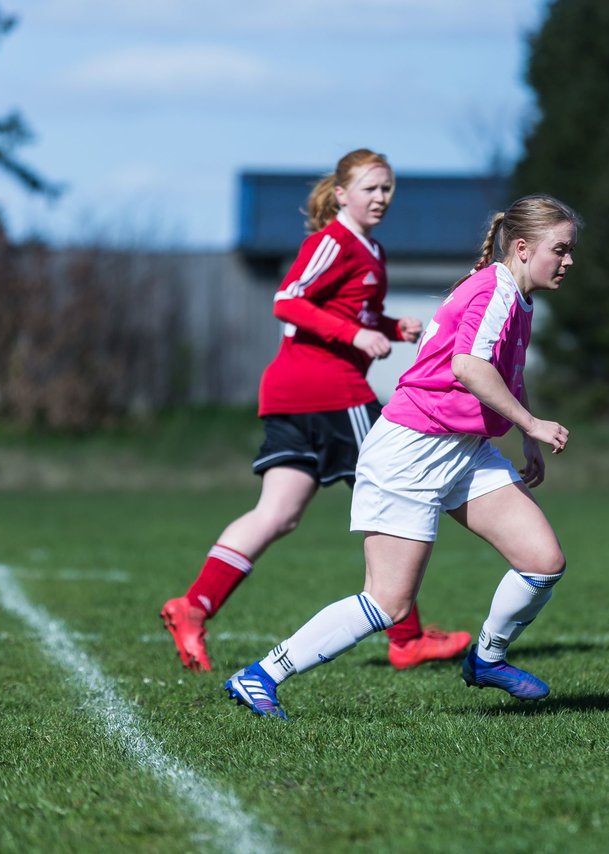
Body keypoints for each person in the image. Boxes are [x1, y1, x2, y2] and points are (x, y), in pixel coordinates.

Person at [223, 194, 582, 719]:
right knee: (388, 603)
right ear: (523, 248)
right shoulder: (495, 292)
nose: (569, 261)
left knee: (542, 562)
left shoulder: (517, 296)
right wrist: (531, 424)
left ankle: (487, 659)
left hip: (462, 450)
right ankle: (260, 675)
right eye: (562, 249)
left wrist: (526, 436)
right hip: (410, 453)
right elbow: (469, 367)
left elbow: (506, 373)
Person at [161, 149, 471, 673]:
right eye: (371, 188)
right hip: (331, 391)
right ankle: (407, 639)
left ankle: (193, 607)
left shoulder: (370, 249)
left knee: (276, 514)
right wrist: (355, 334)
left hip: (290, 391)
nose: (381, 198)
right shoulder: (334, 241)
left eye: (388, 189)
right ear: (342, 192)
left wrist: (393, 328)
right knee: (395, 493)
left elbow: (349, 310)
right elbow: (288, 300)